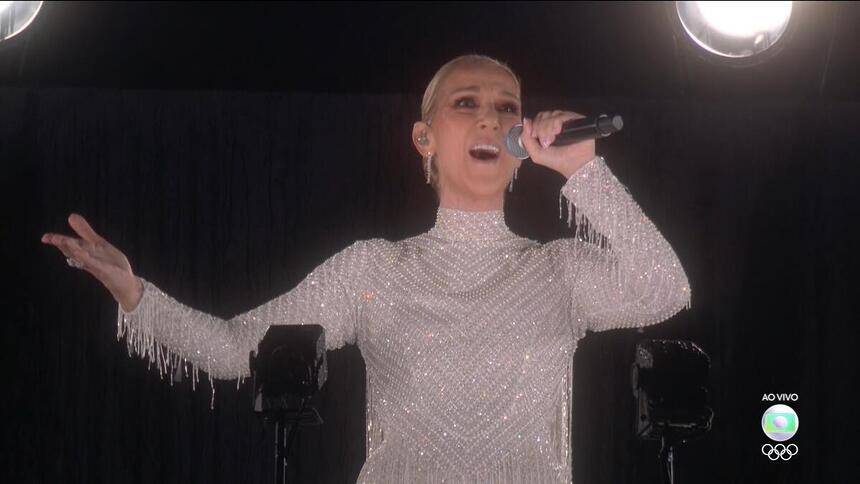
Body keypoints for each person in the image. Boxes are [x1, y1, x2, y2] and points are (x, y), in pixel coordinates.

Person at [41, 54, 691, 483]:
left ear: (523, 143)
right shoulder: (373, 269)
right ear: (424, 137)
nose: (489, 116)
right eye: (465, 102)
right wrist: (134, 293)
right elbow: (235, 349)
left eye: (504, 105)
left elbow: (665, 289)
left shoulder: (561, 272)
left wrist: (584, 171)